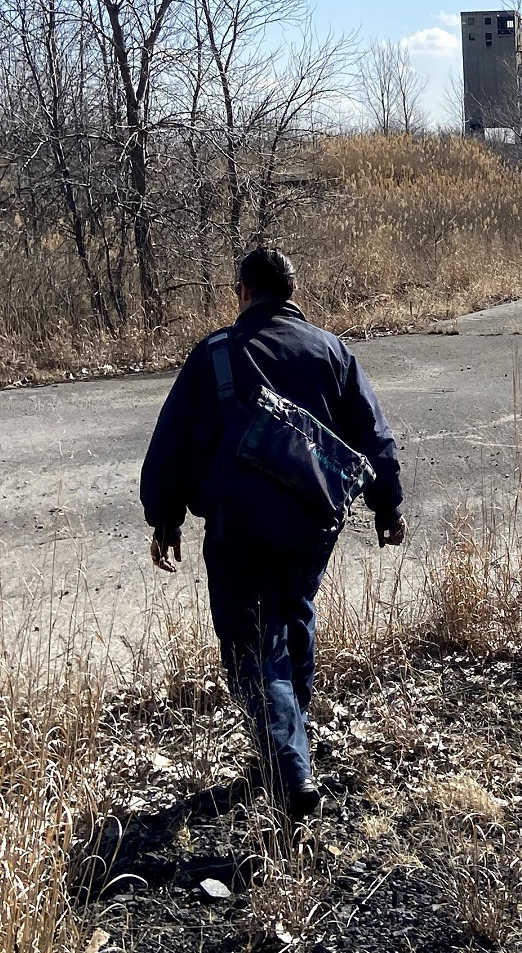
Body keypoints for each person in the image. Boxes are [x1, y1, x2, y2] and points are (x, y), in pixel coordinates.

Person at [140, 247, 406, 818]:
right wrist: (389, 507)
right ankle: (289, 744)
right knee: (293, 623)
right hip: (312, 528)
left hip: (237, 527)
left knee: (251, 648)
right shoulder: (331, 351)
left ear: (242, 291)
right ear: (291, 291)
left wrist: (164, 517)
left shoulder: (215, 354)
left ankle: (289, 771)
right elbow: (374, 436)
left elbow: (173, 443)